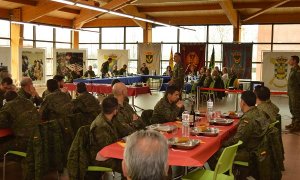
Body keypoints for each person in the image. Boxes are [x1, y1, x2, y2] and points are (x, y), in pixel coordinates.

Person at [222, 91, 271, 162]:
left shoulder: (248, 118)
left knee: (215, 153)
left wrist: (222, 143)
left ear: (243, 102)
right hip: (259, 147)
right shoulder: (260, 112)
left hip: (250, 152)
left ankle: (226, 171)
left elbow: (238, 140)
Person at [0, 91, 40, 157]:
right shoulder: (28, 102)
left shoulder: (9, 105)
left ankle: (18, 163)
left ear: (6, 100)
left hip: (24, 142)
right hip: (39, 139)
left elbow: (1, 122)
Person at [89, 96, 122, 173]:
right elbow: (106, 149)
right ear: (115, 110)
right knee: (128, 164)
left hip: (107, 153)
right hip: (100, 158)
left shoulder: (108, 119)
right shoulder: (101, 126)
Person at [286, 55, 300, 132]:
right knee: (292, 109)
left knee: (296, 109)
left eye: (290, 60)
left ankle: (297, 126)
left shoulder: (298, 70)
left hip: (296, 94)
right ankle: (293, 123)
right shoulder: (293, 69)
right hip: (292, 93)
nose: (289, 61)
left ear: (294, 61)